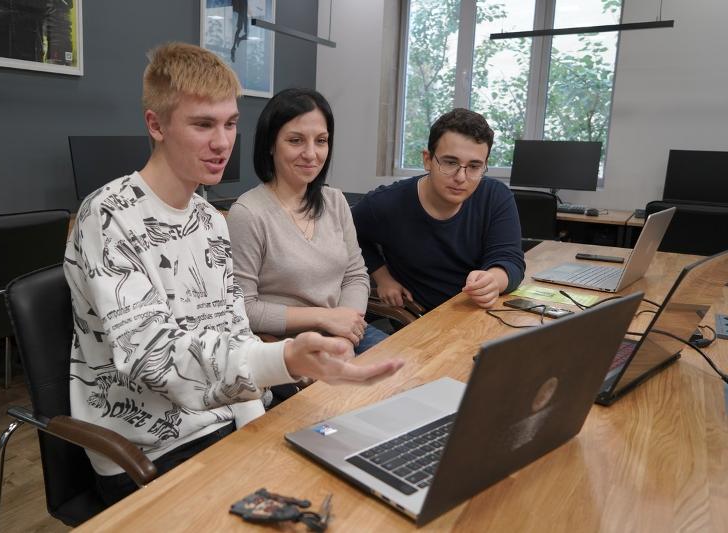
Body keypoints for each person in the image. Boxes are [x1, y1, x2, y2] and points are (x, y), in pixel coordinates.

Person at [64, 43, 402, 506]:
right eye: (203, 125)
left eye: (230, 123)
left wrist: (258, 422)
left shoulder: (209, 221)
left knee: (356, 484)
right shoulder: (108, 216)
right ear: (156, 125)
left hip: (233, 421)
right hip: (154, 451)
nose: (223, 143)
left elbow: (233, 331)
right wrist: (284, 359)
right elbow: (154, 361)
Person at [227, 88, 388, 355]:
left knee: (414, 370)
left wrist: (345, 331)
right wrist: (325, 318)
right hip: (285, 344)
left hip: (347, 329)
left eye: (321, 141)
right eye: (296, 140)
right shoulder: (248, 213)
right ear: (270, 144)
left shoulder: (335, 201)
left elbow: (355, 275)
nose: (311, 154)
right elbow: (244, 308)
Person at [352, 108, 525, 312]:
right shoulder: (386, 203)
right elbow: (348, 233)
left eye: (474, 166)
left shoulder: (496, 197)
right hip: (426, 319)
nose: (461, 177)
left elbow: (511, 260)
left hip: (481, 312)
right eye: (450, 162)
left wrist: (494, 280)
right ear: (427, 160)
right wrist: (383, 278)